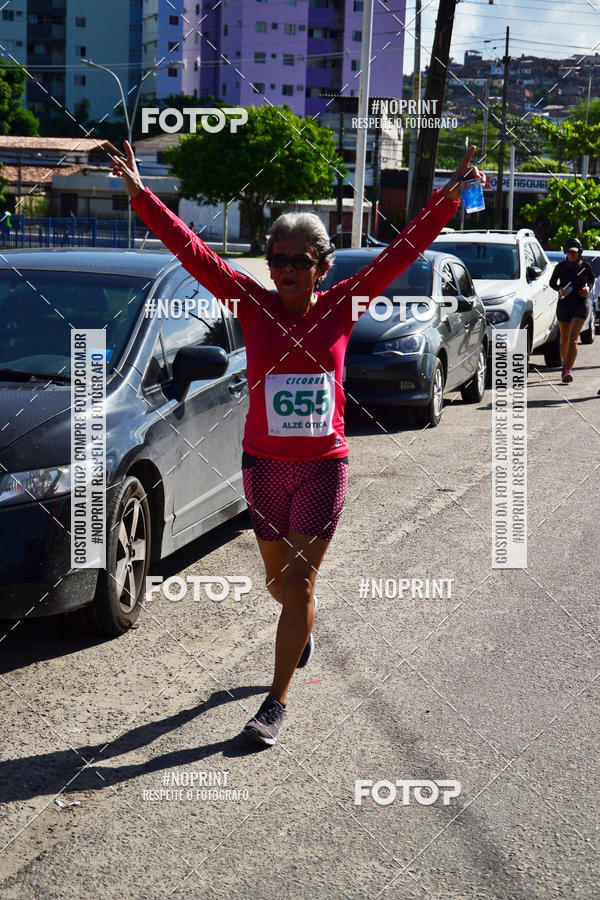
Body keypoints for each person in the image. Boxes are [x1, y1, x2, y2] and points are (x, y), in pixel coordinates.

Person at [110, 140, 483, 746]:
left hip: (322, 467)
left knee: (302, 585)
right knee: (278, 584)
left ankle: (274, 702)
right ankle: (299, 626)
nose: (284, 269)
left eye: (298, 260)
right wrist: (139, 194)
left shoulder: (345, 304)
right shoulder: (250, 305)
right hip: (262, 465)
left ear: (322, 265)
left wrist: (447, 196)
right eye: (276, 258)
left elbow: (403, 250)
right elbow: (193, 251)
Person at [549, 237, 595, 383]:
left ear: (579, 252)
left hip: (580, 304)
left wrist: (587, 288)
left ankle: (568, 369)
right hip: (564, 305)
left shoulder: (585, 266)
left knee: (573, 338)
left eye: (574, 252)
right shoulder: (560, 267)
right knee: (564, 338)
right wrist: (560, 289)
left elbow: (591, 280)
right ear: (565, 252)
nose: (572, 255)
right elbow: (552, 283)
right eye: (569, 252)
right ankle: (565, 364)